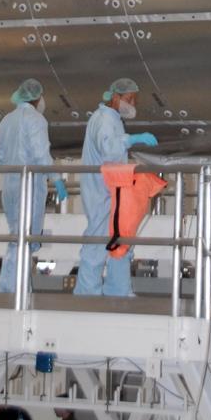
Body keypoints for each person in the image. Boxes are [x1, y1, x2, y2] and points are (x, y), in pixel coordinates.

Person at [74, 77, 158, 298]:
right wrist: (132, 139)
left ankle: (118, 289)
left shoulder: (111, 118)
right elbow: (110, 150)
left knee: (118, 238)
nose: (132, 104)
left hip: (111, 189)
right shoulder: (104, 120)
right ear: (116, 97)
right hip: (101, 190)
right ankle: (87, 292)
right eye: (129, 99)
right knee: (98, 238)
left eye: (134, 100)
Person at [0, 79, 67, 295]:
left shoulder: (6, 120)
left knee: (18, 236)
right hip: (29, 186)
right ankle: (12, 288)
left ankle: (15, 286)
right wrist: (56, 179)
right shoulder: (36, 120)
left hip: (10, 185)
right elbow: (41, 155)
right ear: (37, 98)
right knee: (24, 238)